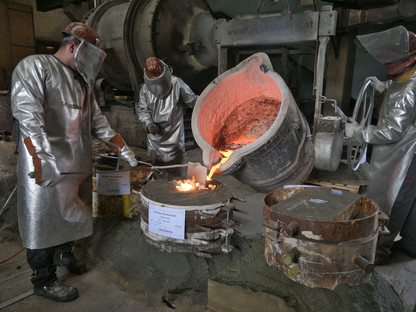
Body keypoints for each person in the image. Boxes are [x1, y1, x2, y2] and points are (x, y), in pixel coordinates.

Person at [11, 22, 138, 302]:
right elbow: (28, 115)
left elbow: (97, 122)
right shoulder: (36, 66)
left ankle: (64, 254)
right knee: (43, 220)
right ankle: (43, 279)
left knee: (73, 211)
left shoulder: (82, 82)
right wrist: (43, 157)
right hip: (45, 164)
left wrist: (122, 148)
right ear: (73, 47)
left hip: (76, 163)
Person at [346, 25, 416, 265]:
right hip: (396, 153)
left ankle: (378, 254)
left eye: (392, 62)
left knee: (392, 201)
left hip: (404, 158)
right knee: (410, 205)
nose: (386, 65)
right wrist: (382, 86)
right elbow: (396, 85)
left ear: (410, 60)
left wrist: (358, 133)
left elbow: (390, 132)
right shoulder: (406, 77)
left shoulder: (409, 91)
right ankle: (411, 247)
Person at [136, 57, 197, 177]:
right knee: (159, 175)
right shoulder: (145, 90)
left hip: (175, 138)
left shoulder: (177, 83)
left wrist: (209, 102)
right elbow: (143, 111)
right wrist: (149, 124)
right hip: (155, 139)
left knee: (178, 175)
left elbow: (193, 101)